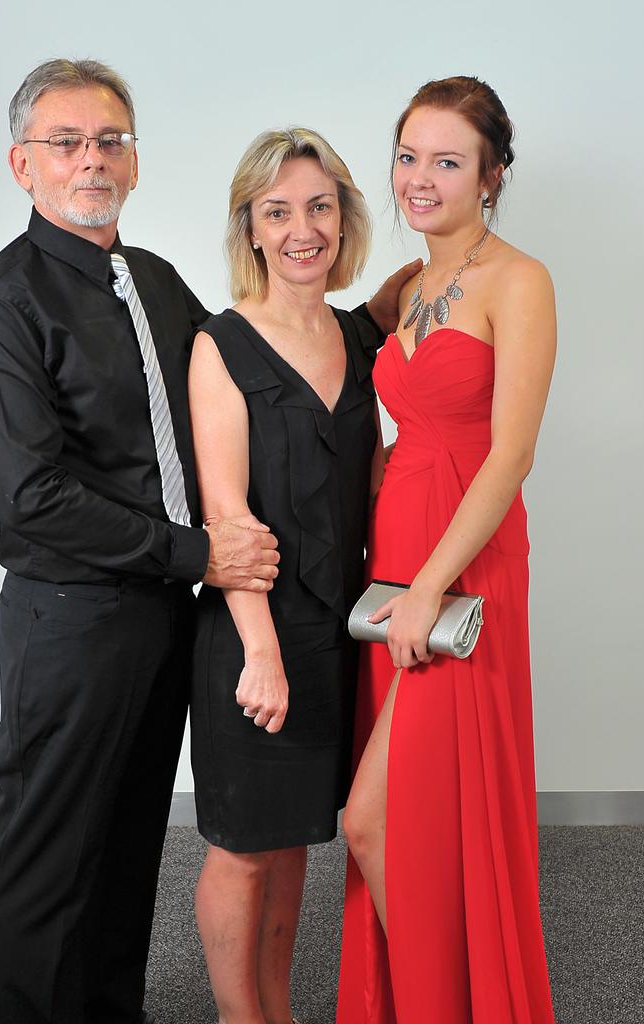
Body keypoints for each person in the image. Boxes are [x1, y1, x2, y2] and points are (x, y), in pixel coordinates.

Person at [0, 59, 415, 1024]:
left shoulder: (154, 284)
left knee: (125, 838)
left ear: (134, 160)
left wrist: (371, 319)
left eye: (110, 140)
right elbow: (33, 497)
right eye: (66, 143)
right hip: (73, 617)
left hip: (167, 615)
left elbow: (262, 368)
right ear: (21, 164)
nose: (92, 160)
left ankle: (111, 1007)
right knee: (46, 842)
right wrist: (203, 556)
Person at [337, 76, 558, 1024]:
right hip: (396, 557)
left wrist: (429, 588)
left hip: (460, 570)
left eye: (447, 161)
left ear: (492, 175)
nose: (419, 179)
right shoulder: (409, 287)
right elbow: (399, 410)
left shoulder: (521, 280)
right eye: (408, 155)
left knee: (371, 820)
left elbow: (509, 455)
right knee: (418, 820)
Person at [187, 128, 388, 1024]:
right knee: (243, 847)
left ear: (343, 219)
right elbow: (227, 519)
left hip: (340, 631)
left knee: (298, 837)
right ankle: (241, 1018)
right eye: (280, 211)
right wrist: (259, 654)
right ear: (253, 229)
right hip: (253, 632)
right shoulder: (220, 345)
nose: (303, 228)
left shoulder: (356, 334)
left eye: (320, 206)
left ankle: (278, 1011)